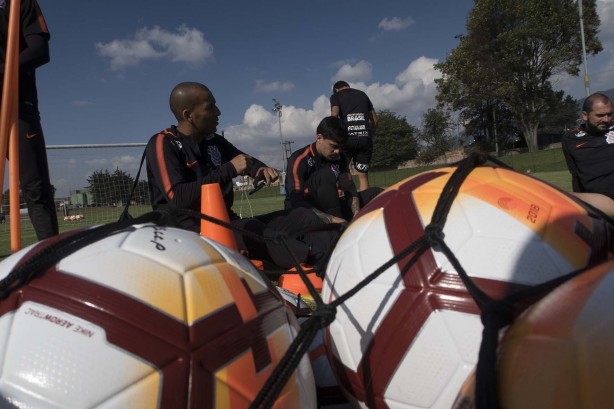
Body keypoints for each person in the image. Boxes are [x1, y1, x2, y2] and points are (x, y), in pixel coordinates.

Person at [145, 82, 337, 269]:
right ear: (189, 115)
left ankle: (338, 252)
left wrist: (260, 170)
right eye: (210, 107)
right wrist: (228, 169)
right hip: (190, 234)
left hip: (227, 222)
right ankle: (318, 264)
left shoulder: (214, 141)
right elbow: (177, 198)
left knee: (302, 216)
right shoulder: (163, 144)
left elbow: (245, 160)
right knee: (253, 229)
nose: (218, 112)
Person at [0, 0, 58, 240]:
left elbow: (40, 50)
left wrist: (3, 69)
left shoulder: (19, 2)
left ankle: (51, 259)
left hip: (17, 107)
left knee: (35, 189)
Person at [285, 116, 382, 224]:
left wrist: (356, 211)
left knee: (376, 193)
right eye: (333, 146)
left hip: (332, 207)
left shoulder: (340, 157)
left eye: (340, 147)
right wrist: (331, 219)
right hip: (305, 213)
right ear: (319, 138)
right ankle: (338, 230)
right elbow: (296, 200)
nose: (337, 151)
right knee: (326, 175)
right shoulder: (299, 159)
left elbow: (349, 187)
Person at [562, 92, 614, 217]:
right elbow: (576, 176)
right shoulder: (570, 139)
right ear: (585, 115)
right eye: (600, 115)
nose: (606, 119)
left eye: (609, 114)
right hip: (600, 207)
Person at [330, 80, 378, 192]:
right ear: (348, 86)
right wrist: (371, 134)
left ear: (336, 89)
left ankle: (347, 202)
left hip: (347, 139)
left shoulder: (336, 96)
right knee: (363, 176)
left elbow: (334, 115)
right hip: (365, 138)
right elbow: (375, 120)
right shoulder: (362, 94)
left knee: (341, 171)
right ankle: (365, 205)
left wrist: (332, 136)